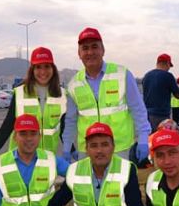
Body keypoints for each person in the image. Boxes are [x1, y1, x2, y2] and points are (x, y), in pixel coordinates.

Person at [63, 27, 151, 162]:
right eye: (85, 48)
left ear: (102, 50)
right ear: (79, 53)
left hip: (119, 149)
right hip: (87, 151)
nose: (90, 52)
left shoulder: (122, 75)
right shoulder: (74, 84)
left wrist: (143, 139)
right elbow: (70, 120)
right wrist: (67, 146)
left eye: (94, 47)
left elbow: (138, 109)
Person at [0, 47, 66, 159]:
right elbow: (9, 122)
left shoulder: (61, 95)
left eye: (47, 66)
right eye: (38, 67)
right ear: (32, 70)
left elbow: (64, 127)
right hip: (20, 157)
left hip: (47, 157)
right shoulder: (20, 92)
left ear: (53, 69)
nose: (43, 72)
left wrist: (70, 149)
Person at [142, 53, 179, 131]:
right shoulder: (168, 76)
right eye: (169, 66)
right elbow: (177, 94)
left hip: (147, 115)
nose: (169, 68)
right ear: (167, 63)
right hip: (161, 116)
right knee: (162, 140)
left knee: (149, 140)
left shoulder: (146, 76)